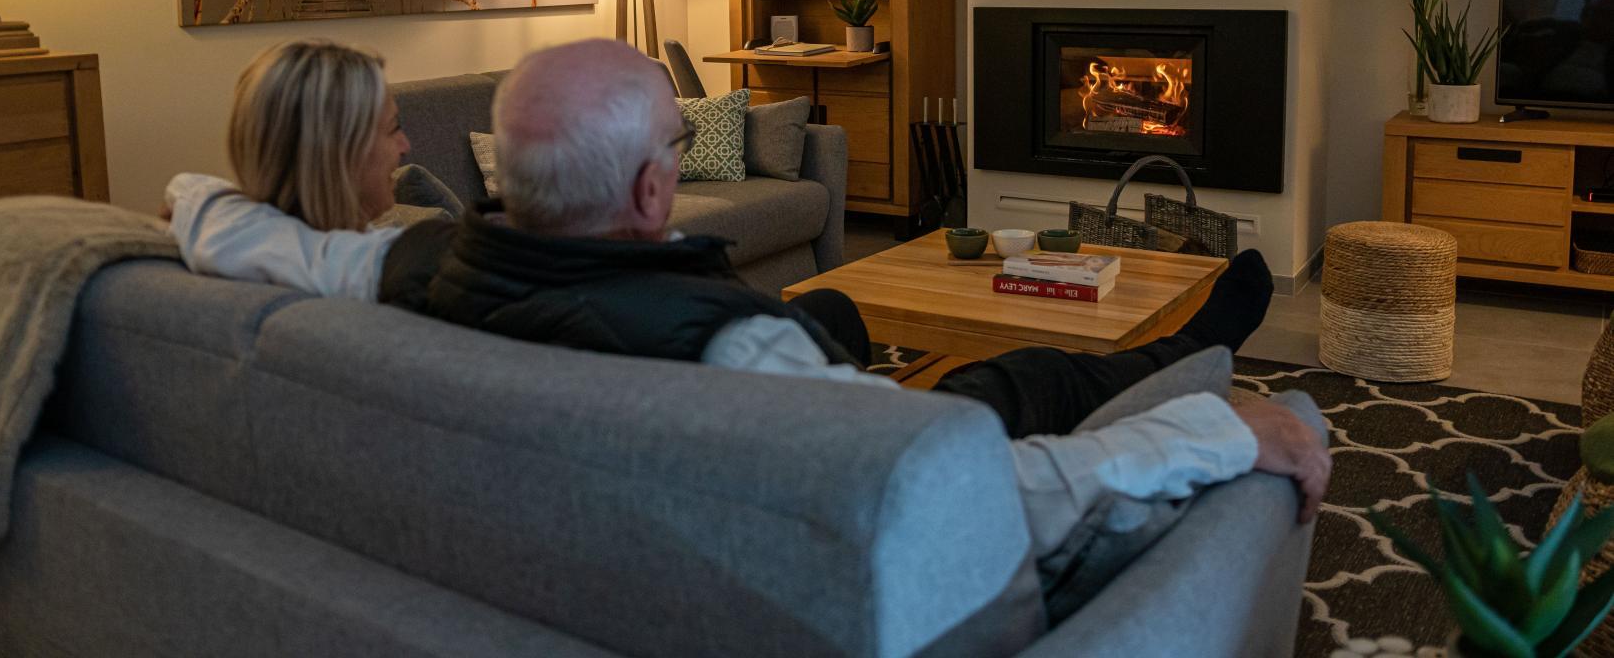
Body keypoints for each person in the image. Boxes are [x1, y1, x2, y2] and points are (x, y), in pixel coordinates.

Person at [168, 39, 1329, 613]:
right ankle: (1187, 358)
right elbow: (1000, 494)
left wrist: (184, 197)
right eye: (677, 149)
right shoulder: (733, 348)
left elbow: (216, 217)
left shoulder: (388, 264)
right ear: (650, 191)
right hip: (856, 456)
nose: (679, 164)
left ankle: (1155, 349)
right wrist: (1222, 433)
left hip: (703, 382)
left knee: (834, 309)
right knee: (1022, 383)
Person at [165, 39, 411, 302]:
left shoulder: (223, 231)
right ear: (335, 153)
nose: (405, 145)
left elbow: (189, 191)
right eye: (393, 128)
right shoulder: (392, 269)